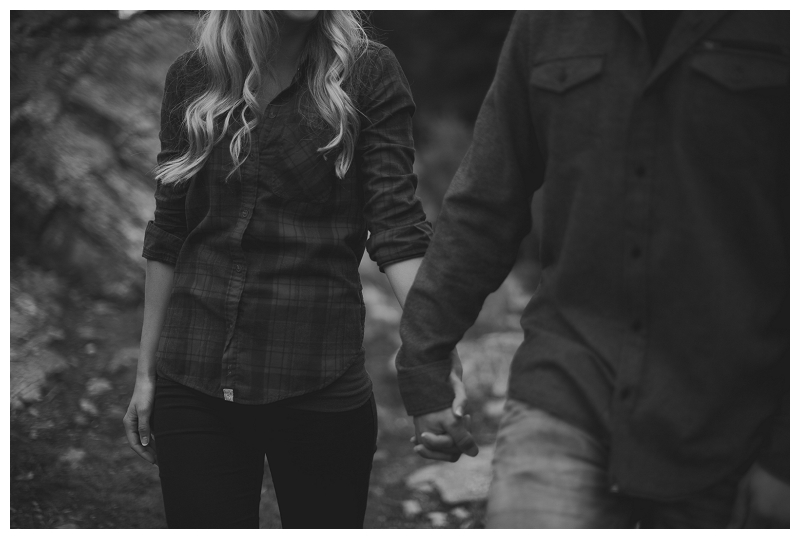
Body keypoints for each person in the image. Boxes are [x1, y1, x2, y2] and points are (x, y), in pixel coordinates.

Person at [396, 10, 788, 528]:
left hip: (732, 416)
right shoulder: (550, 21)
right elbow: (488, 199)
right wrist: (424, 361)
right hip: (567, 385)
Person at [122, 10, 438, 529]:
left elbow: (398, 225)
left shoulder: (368, 73)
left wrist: (434, 342)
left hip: (320, 380)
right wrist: (145, 374)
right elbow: (170, 231)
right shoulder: (191, 76)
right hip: (193, 377)